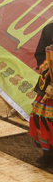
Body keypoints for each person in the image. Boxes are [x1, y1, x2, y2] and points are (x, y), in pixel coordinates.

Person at [30, 22, 53, 169]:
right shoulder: (49, 29)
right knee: (41, 119)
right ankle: (47, 155)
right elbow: (40, 56)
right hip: (48, 87)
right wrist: (49, 71)